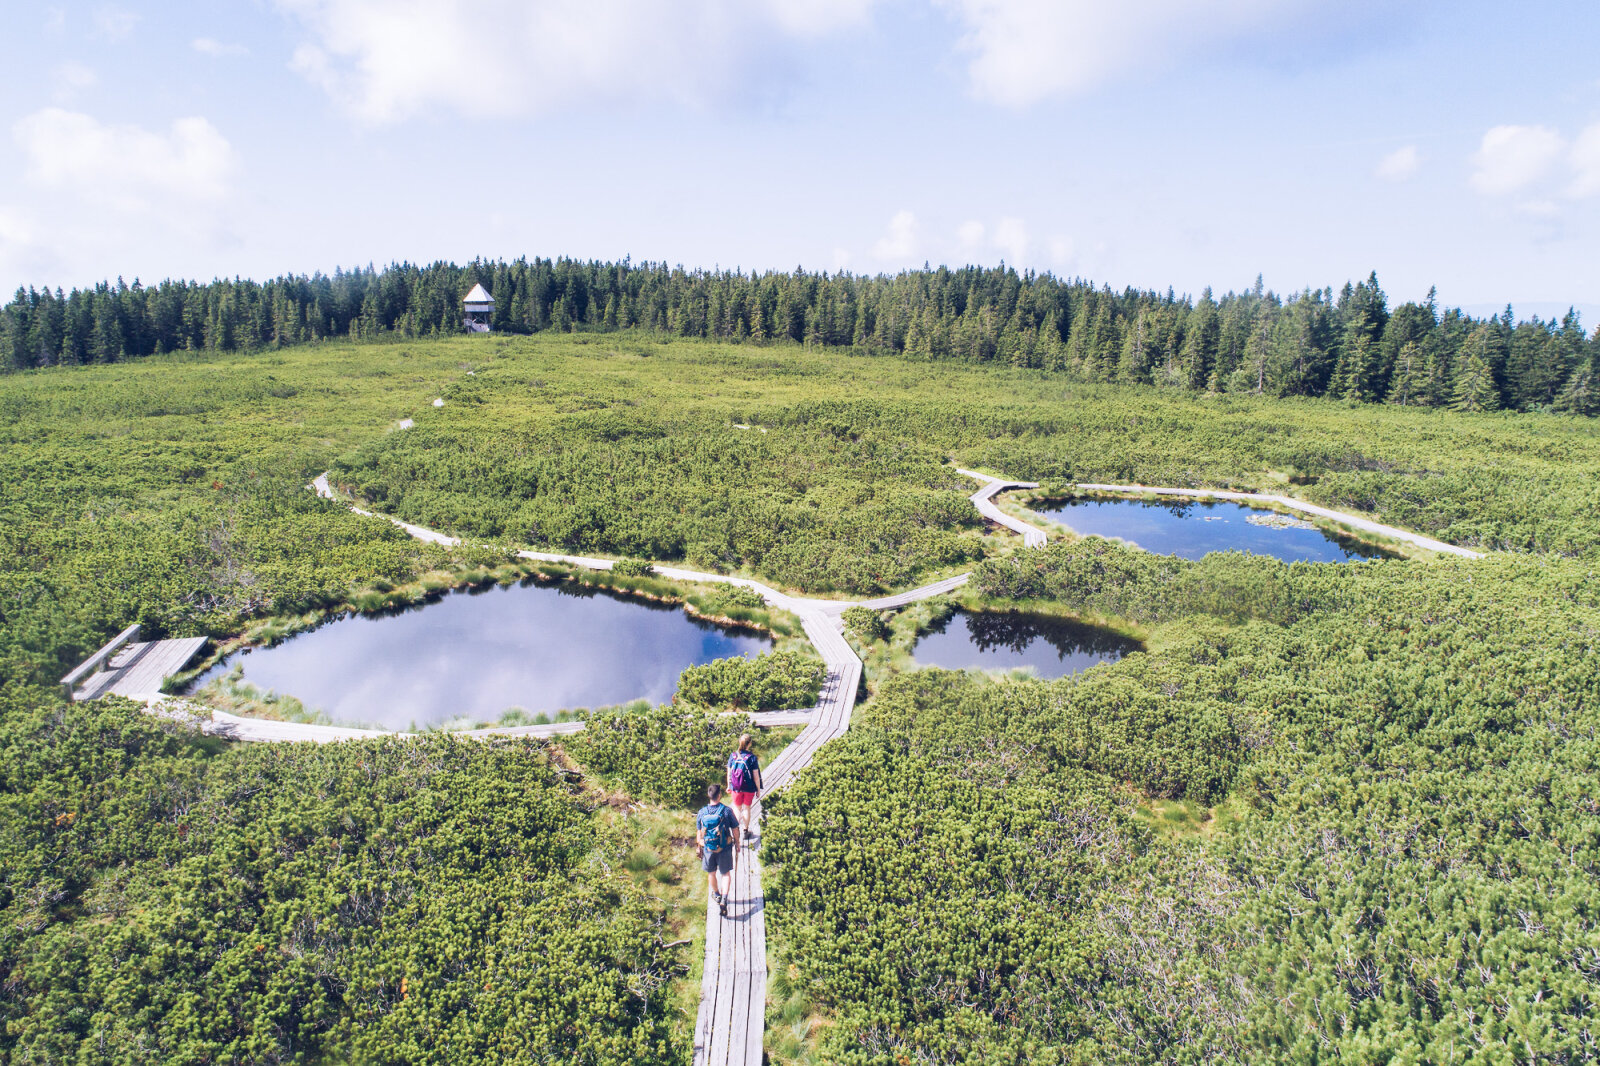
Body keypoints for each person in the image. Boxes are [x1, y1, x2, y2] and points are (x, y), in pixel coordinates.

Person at [696, 783, 741, 917]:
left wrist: (700, 845)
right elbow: (735, 829)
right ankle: (725, 899)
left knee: (711, 873)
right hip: (724, 847)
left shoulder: (702, 812)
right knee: (725, 874)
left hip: (709, 848)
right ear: (719, 795)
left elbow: (699, 833)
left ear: (708, 796)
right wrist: (737, 842)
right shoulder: (726, 811)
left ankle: (716, 894)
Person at [726, 734, 763, 836]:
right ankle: (745, 830)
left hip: (735, 787)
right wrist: (758, 789)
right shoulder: (752, 758)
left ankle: (736, 830)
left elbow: (729, 772)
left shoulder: (733, 756)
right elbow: (756, 776)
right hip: (749, 787)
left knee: (737, 808)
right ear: (750, 744)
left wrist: (729, 785)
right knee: (746, 808)